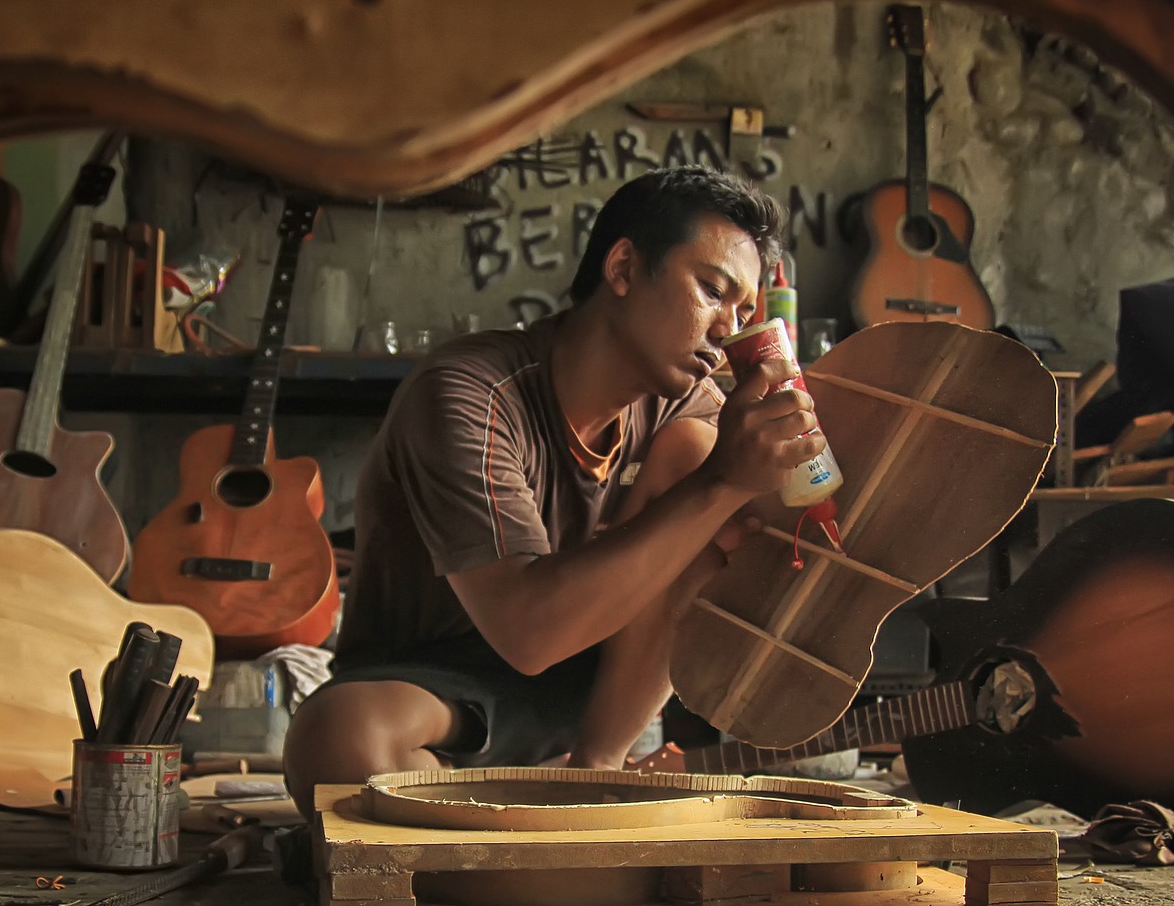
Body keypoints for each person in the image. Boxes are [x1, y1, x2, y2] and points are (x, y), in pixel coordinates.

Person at [282, 167, 825, 814]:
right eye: (711, 290)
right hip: (435, 691)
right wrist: (722, 481)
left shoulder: (685, 407)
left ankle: (595, 770)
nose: (725, 329)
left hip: (589, 695)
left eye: (742, 313)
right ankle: (520, 799)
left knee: (701, 447)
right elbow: (528, 634)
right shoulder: (470, 393)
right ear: (622, 268)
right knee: (340, 740)